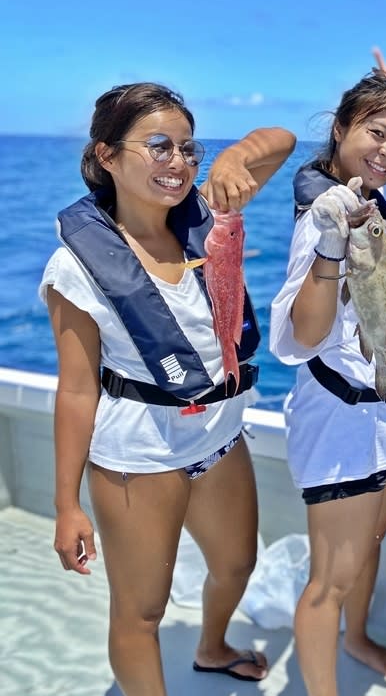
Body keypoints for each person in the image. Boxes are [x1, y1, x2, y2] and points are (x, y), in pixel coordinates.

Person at [40, 82, 296, 693]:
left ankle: (211, 648)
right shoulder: (76, 267)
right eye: (158, 146)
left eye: (188, 148)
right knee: (142, 611)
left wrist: (235, 159)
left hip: (218, 437)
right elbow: (77, 392)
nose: (177, 163)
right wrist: (67, 505)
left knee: (237, 564)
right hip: (138, 458)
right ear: (106, 155)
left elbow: (282, 140)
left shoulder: (207, 215)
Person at [268, 68, 386, 696]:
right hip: (343, 420)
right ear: (339, 129)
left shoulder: (378, 194)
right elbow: (303, 335)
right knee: (329, 582)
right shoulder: (324, 214)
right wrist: (331, 251)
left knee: (369, 546)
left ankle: (358, 639)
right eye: (374, 133)